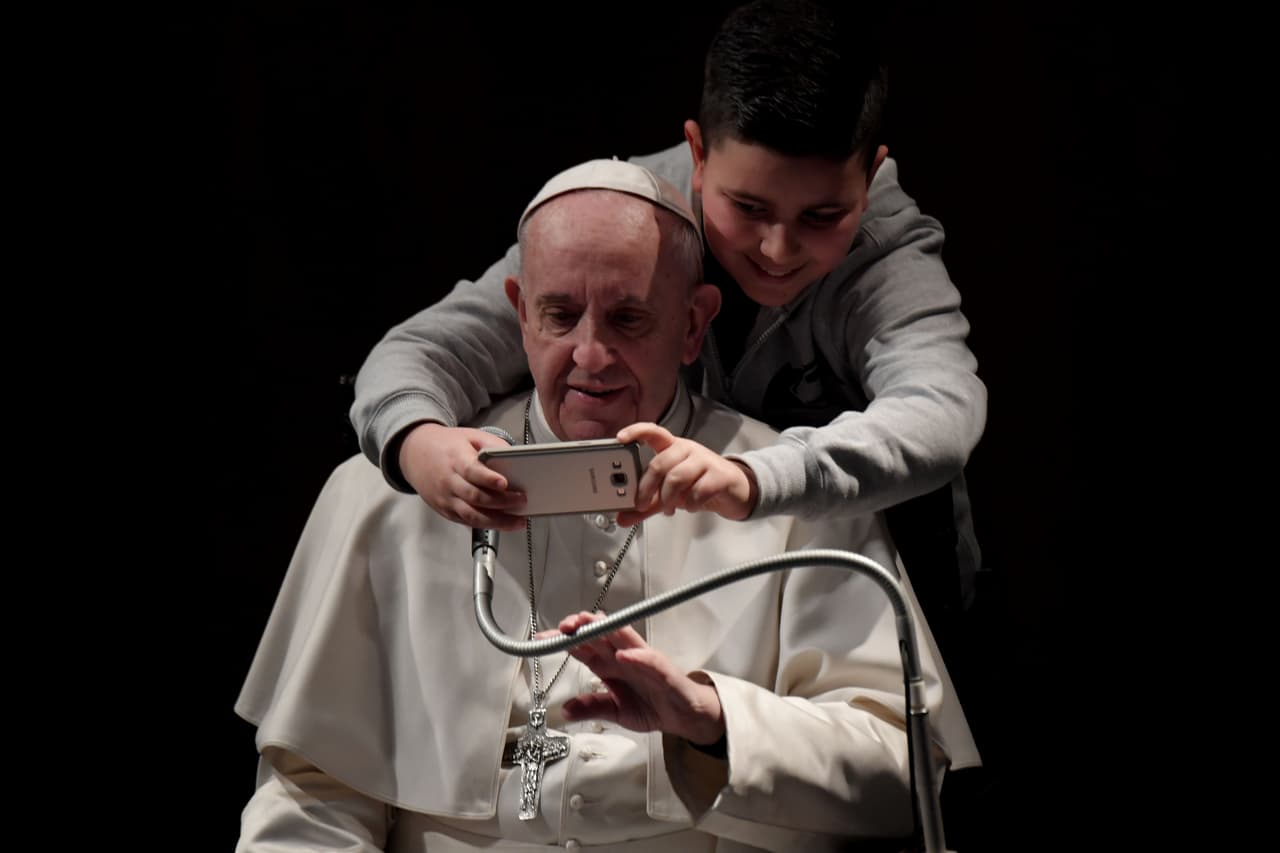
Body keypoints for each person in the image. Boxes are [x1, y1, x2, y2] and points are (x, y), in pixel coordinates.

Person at [235, 160, 978, 852]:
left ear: (694, 325)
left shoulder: (789, 497)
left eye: (628, 320)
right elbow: (311, 799)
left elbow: (905, 778)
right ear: (520, 313)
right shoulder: (387, 494)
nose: (591, 355)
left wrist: (710, 719)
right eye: (561, 315)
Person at [348, 0, 986, 645]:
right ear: (698, 154)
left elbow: (939, 413)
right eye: (747, 206)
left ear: (870, 174)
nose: (777, 248)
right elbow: (425, 349)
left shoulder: (885, 251)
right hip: (698, 588)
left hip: (883, 592)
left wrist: (752, 475)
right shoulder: (616, 214)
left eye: (822, 217)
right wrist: (415, 440)